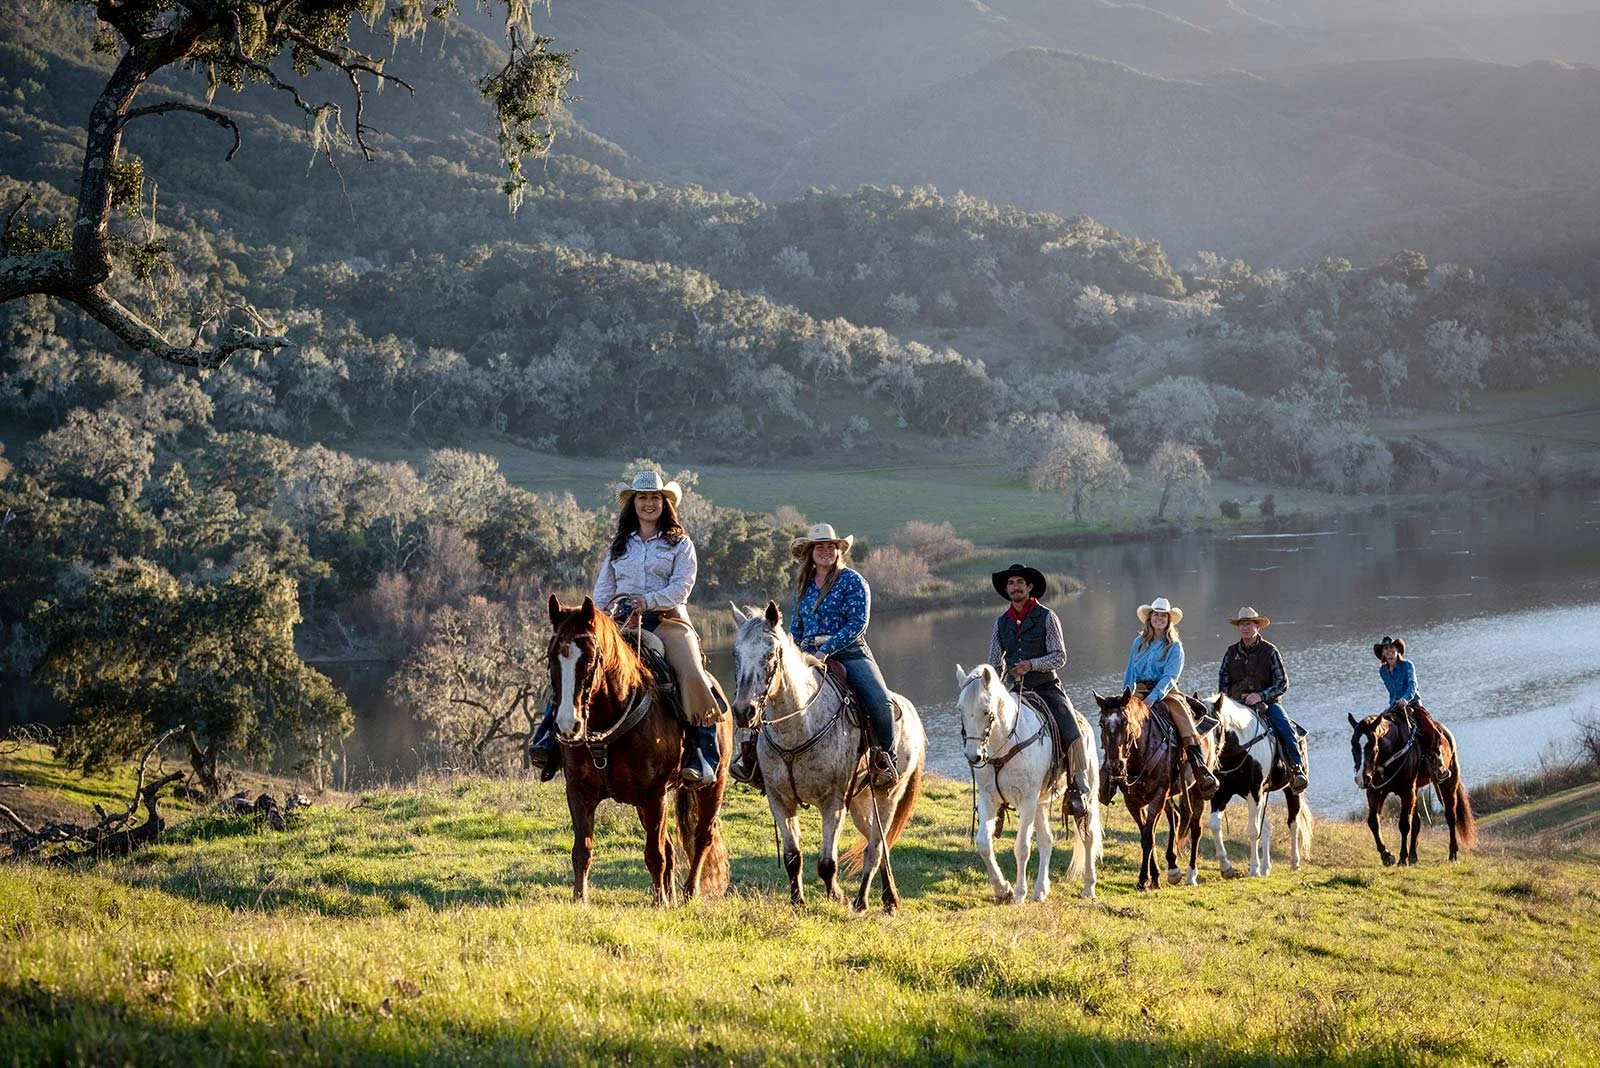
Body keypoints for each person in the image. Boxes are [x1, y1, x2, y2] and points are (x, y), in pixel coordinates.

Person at [529, 471, 724, 784]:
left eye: (654, 498)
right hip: (619, 621)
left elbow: (682, 587)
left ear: (665, 503)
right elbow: (604, 589)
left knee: (691, 670)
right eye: (642, 498)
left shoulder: (680, 543)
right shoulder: (619, 545)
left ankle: (702, 754)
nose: (648, 504)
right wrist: (598, 619)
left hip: (666, 620)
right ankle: (549, 737)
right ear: (633, 504)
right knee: (577, 663)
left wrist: (646, 601)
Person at [733, 522, 899, 788]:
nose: (826, 551)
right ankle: (751, 757)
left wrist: (826, 649)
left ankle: (886, 761)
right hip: (806, 654)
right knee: (767, 692)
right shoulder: (804, 586)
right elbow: (797, 627)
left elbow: (857, 623)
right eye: (819, 547)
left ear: (838, 551)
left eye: (831, 546)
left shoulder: (853, 581)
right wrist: (793, 652)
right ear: (810, 552)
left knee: (880, 701)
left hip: (849, 652)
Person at [986, 563, 1093, 818]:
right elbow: (994, 662)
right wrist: (994, 686)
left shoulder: (1047, 616)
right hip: (1014, 691)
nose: (1015, 587)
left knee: (1071, 727)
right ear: (1007, 588)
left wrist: (1032, 664)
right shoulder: (1001, 623)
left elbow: (1060, 656)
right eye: (1011, 583)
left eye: (1020, 583)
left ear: (1030, 586)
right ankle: (993, 793)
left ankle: (1078, 785)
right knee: (988, 731)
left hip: (1046, 686)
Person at [1119, 596, 1218, 797]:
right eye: (1156, 615)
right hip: (1138, 691)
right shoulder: (1138, 642)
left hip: (1166, 692)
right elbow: (1130, 672)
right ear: (1150, 618)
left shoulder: (1174, 646)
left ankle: (1200, 767)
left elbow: (1170, 677)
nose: (1159, 619)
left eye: (1163, 616)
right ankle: (1110, 775)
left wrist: (1153, 698)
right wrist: (1125, 698)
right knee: (1116, 721)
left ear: (1168, 620)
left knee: (1184, 721)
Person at [1218, 607, 1308, 793]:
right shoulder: (1230, 653)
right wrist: (1230, 703)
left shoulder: (1270, 651)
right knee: (1216, 729)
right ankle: (1211, 773)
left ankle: (1296, 768)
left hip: (1267, 705)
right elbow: (1223, 683)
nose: (1245, 628)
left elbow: (1282, 682)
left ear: (1258, 626)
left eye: (1249, 624)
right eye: (1242, 624)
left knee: (1284, 726)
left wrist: (1260, 696)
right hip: (1236, 706)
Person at [1375, 635, 1451, 782]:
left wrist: (1405, 699)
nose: (1389, 652)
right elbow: (1392, 691)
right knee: (1377, 730)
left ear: (1397, 650)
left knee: (1430, 728)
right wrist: (1396, 703)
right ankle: (1379, 767)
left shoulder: (1408, 665)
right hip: (1394, 707)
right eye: (1386, 649)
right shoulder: (1383, 671)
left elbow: (1412, 685)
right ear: (1383, 653)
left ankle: (1438, 762)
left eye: (1392, 648)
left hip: (1412, 703)